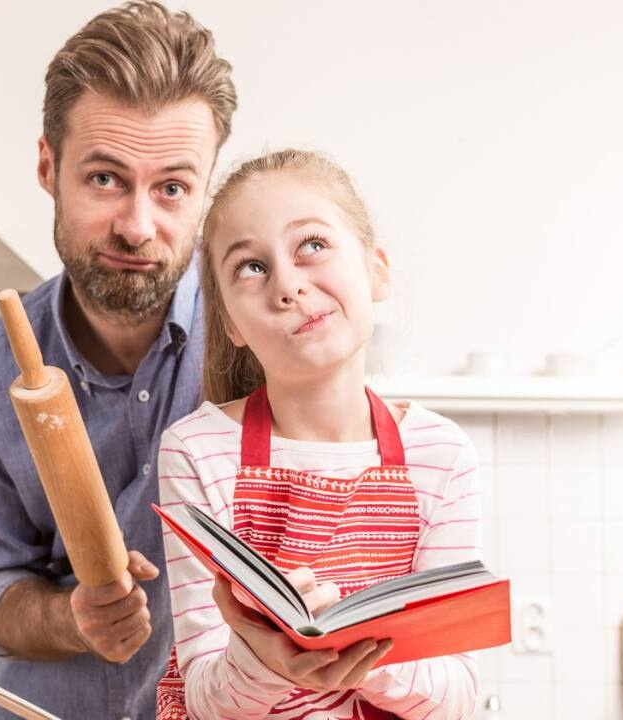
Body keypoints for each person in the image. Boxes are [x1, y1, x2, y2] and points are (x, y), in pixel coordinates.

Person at [0, 3, 236, 718]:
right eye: (105, 178)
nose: (137, 226)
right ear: (49, 165)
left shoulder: (256, 341)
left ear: (206, 191)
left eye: (172, 187)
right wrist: (72, 616)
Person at [156, 149, 483, 719]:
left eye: (311, 246)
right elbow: (205, 698)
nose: (288, 286)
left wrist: (359, 647)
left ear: (375, 270)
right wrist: (266, 660)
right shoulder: (195, 450)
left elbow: (456, 696)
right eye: (251, 267)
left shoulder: (443, 455)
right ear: (230, 322)